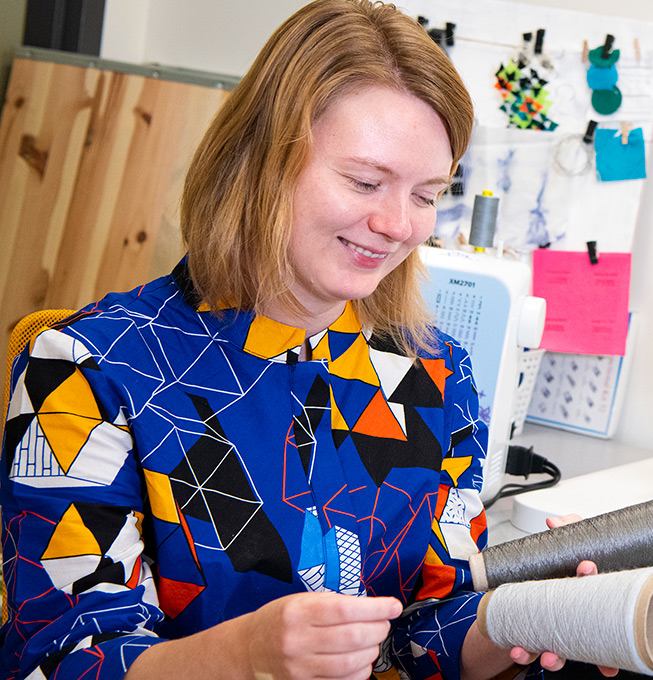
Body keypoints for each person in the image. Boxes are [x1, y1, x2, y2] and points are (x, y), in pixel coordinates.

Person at [0, 2, 615, 679]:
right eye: (364, 181)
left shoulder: (436, 376)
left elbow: (427, 633)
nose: (397, 224)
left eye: (426, 193)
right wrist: (242, 655)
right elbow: (61, 660)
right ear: (261, 162)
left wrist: (517, 620)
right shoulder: (89, 369)